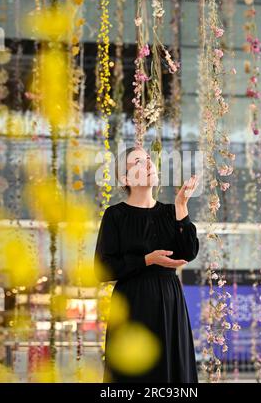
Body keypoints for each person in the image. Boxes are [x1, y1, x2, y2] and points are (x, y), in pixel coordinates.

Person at [94, 145, 200, 383]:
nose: (149, 164)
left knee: (172, 371)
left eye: (149, 159)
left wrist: (182, 206)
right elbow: (102, 268)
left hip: (170, 301)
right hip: (133, 303)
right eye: (139, 162)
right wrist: (146, 260)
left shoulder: (171, 212)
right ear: (125, 178)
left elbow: (188, 252)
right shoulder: (115, 215)